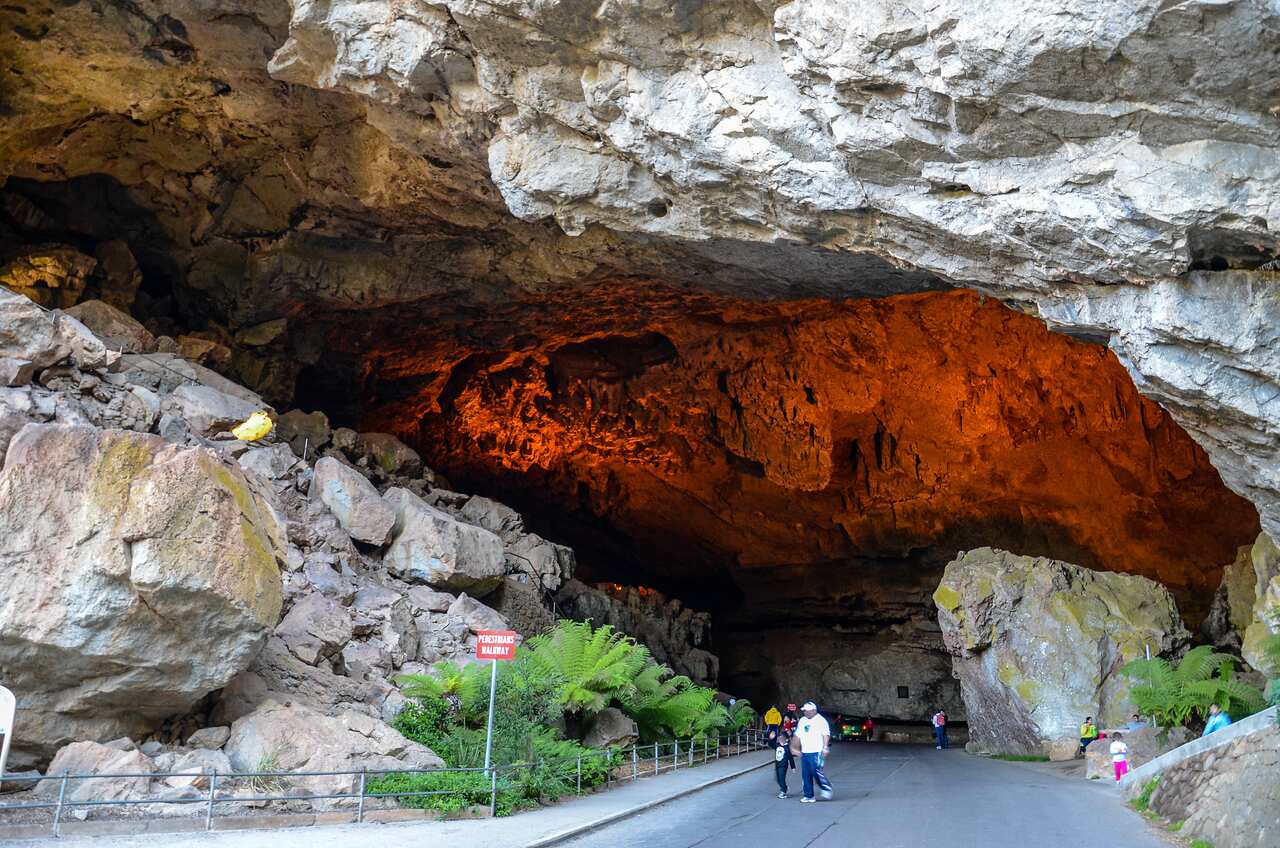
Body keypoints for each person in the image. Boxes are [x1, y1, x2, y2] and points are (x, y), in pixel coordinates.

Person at [795, 701, 833, 803]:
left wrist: (825, 747)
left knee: (815, 771)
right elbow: (798, 735)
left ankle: (826, 787)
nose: (805, 713)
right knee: (806, 774)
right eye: (804, 711)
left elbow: (826, 734)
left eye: (807, 711)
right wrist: (794, 747)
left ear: (814, 710)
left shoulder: (821, 721)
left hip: (817, 751)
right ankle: (808, 795)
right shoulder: (802, 720)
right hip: (805, 751)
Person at [773, 730, 795, 798]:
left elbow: (791, 758)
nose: (780, 739)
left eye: (782, 737)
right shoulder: (777, 745)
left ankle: (783, 792)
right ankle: (784, 787)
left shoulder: (787, 747)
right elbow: (770, 743)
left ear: (786, 739)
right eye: (779, 737)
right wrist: (771, 738)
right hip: (777, 764)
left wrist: (793, 767)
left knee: (782, 778)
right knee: (777, 779)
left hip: (783, 765)